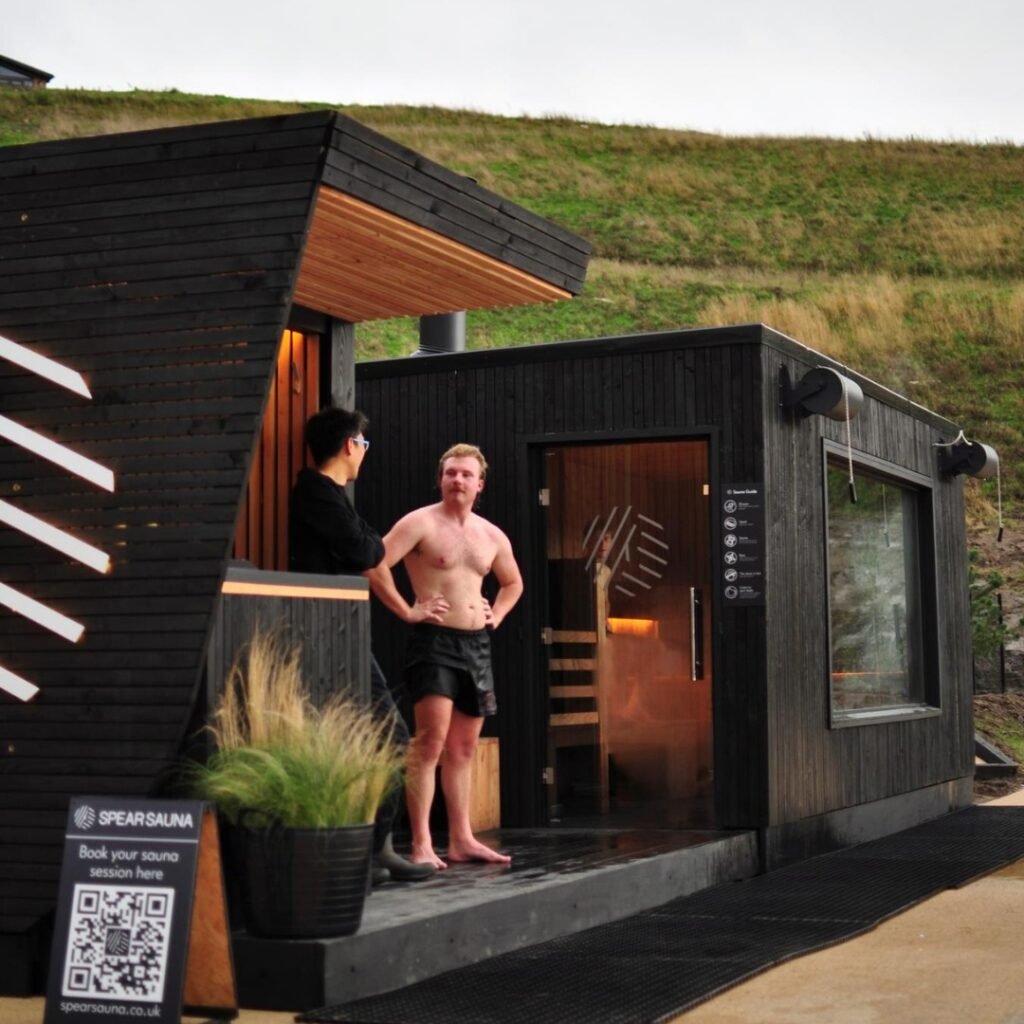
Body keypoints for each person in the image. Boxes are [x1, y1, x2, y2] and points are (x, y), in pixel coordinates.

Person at [288, 406, 446, 883]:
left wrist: (404, 606)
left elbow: (370, 552)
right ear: (349, 445)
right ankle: (375, 848)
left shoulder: (333, 498)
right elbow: (367, 550)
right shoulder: (316, 493)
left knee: (374, 736)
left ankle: (374, 849)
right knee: (389, 735)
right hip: (325, 634)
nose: (365, 452)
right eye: (364, 443)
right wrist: (369, 542)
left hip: (342, 633)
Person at [366, 444, 523, 869]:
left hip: (476, 646)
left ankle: (461, 839)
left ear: (480, 484)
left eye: (466, 474)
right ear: (440, 479)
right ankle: (421, 843)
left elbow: (513, 583)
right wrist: (406, 609)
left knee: (463, 747)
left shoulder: (491, 535)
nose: (458, 480)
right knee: (429, 743)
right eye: (451, 473)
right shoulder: (419, 522)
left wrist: (497, 615)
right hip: (434, 642)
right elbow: (375, 564)